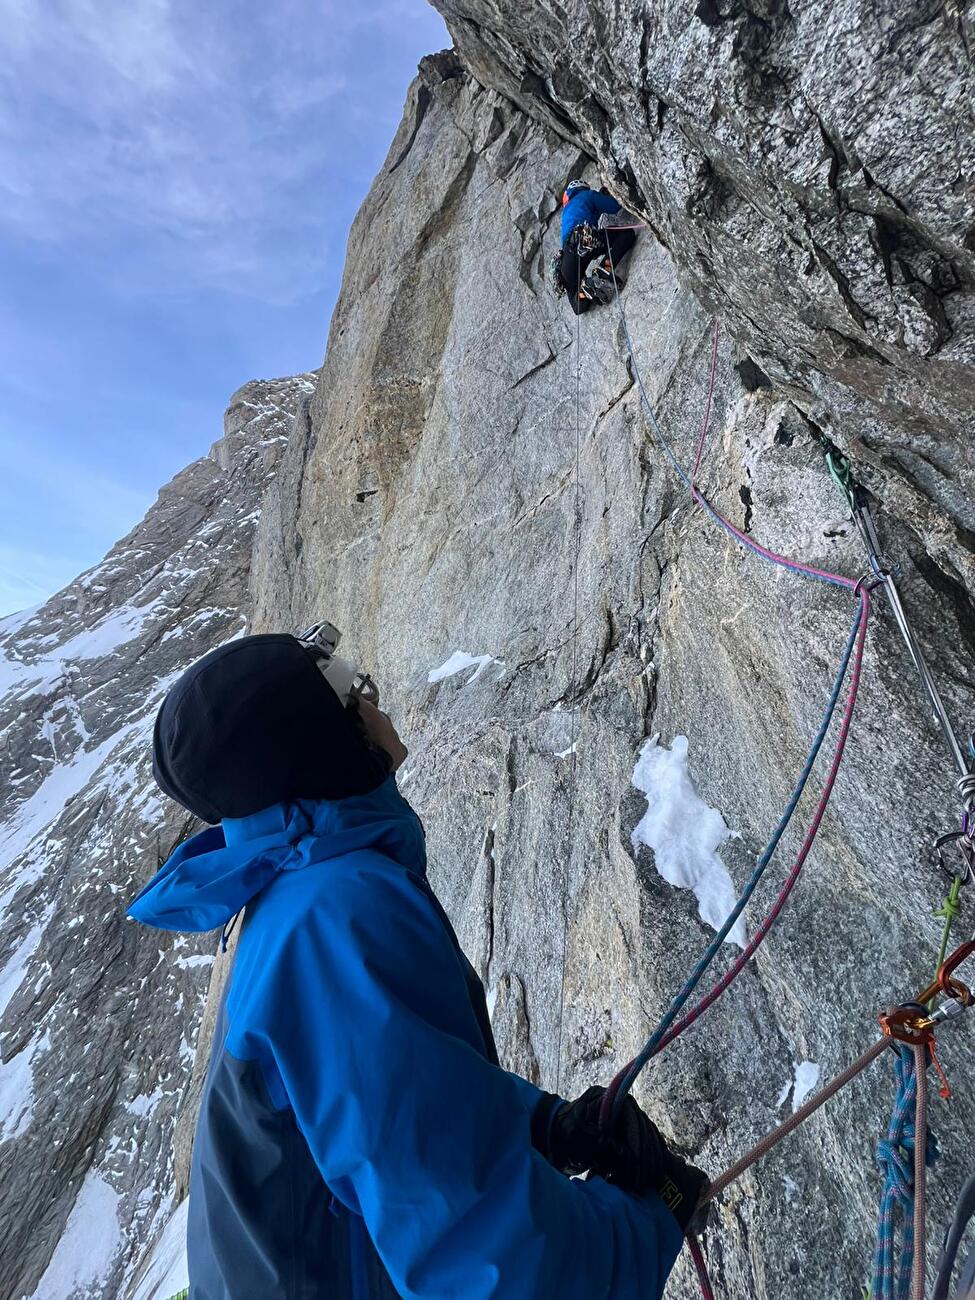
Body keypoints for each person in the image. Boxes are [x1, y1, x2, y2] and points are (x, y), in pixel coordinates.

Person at [129, 628, 707, 1299]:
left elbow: (396, 1101)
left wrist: (547, 1127)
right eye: (355, 693)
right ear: (323, 741)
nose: (376, 700)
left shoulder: (301, 895)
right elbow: (486, 1260)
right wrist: (646, 1219)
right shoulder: (337, 921)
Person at [553, 178, 638, 315]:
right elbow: (614, 206)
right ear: (583, 187)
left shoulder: (566, 213)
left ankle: (584, 291)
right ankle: (603, 270)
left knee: (578, 306)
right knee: (626, 235)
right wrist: (605, 195)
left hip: (566, 263)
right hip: (585, 241)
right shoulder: (587, 195)